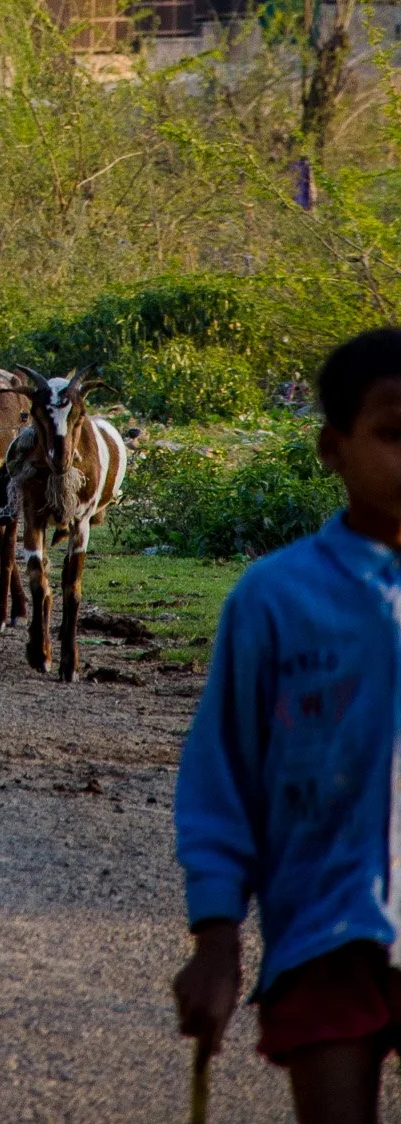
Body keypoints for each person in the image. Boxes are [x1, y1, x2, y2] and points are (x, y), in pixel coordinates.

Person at [173, 327, 401, 1122]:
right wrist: (215, 939)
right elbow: (222, 775)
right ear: (332, 448)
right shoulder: (274, 599)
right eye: (393, 434)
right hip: (323, 936)